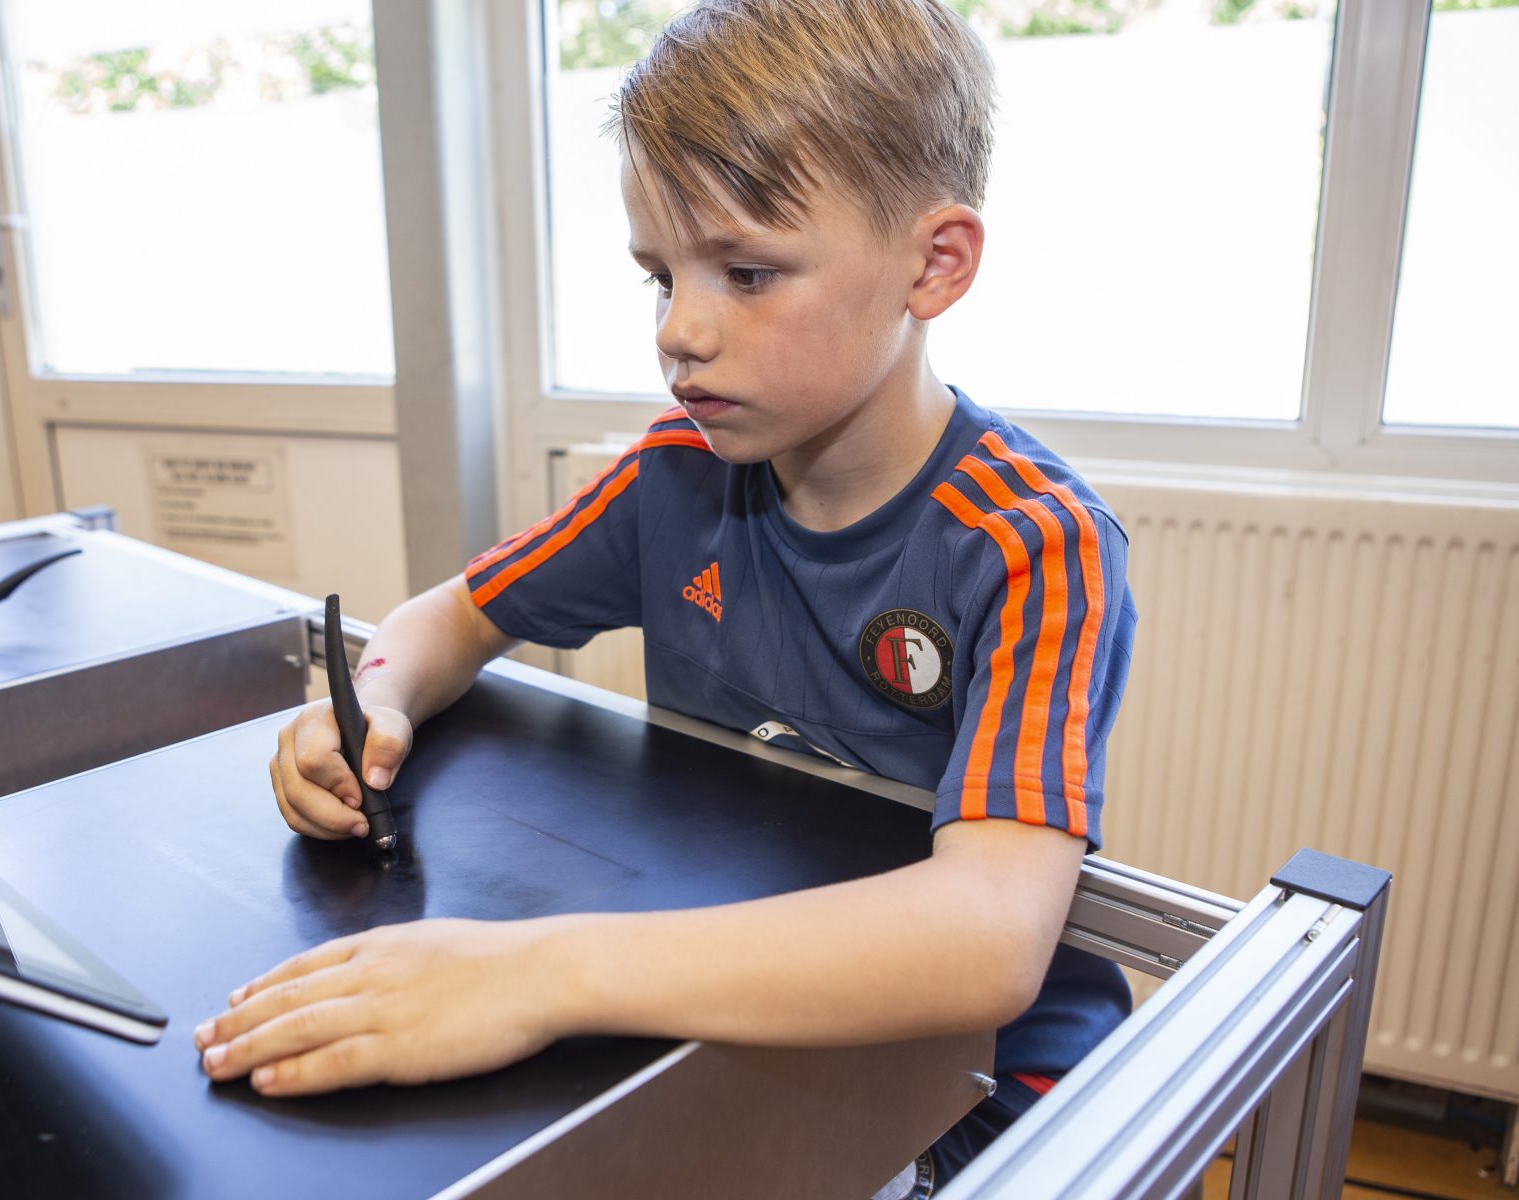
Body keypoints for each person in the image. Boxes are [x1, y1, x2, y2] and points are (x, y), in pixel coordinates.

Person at [193, 0, 1137, 1183]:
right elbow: (449, 618)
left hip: (982, 1062)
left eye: (746, 272)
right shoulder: (674, 477)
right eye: (658, 276)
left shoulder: (1034, 545)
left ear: (932, 264)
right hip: (730, 1002)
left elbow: (987, 940)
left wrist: (537, 973)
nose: (680, 331)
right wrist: (372, 701)